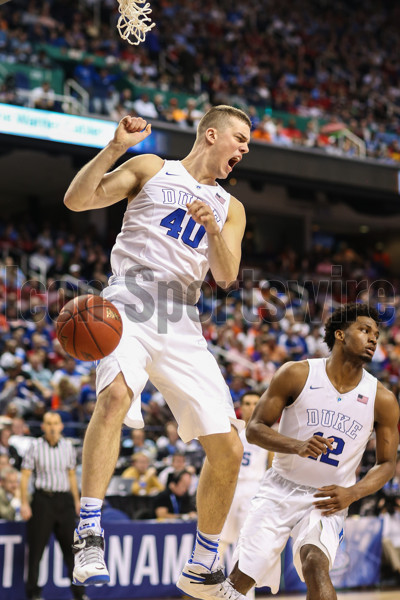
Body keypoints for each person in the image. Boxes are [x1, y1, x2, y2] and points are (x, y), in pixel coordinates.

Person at [64, 105, 251, 600]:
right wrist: (115, 148)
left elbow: (228, 277)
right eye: (241, 139)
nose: (245, 149)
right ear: (212, 135)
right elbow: (76, 200)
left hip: (183, 319)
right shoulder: (152, 168)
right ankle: (88, 533)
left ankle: (203, 567)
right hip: (126, 301)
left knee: (230, 448)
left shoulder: (231, 207)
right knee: (116, 397)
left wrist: (213, 228)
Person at [226, 303, 399, 600]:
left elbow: (386, 464)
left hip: (328, 497)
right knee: (242, 578)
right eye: (365, 330)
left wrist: (353, 493)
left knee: (316, 565)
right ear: (341, 334)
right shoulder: (297, 374)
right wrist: (296, 445)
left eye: (376, 333)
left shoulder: (381, 398)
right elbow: (255, 429)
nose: (373, 338)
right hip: (278, 489)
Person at [20, 411, 88, 600]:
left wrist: (76, 501)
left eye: (55, 423)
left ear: (61, 426)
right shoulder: (34, 447)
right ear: (42, 427)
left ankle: (79, 594)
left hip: (64, 502)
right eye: (48, 423)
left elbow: (72, 476)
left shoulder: (68, 447)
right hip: (42, 501)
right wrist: (24, 503)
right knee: (36, 552)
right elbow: (25, 476)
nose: (52, 427)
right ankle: (33, 594)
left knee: (72, 551)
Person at [219, 391, 269, 599]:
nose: (251, 407)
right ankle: (214, 590)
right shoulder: (233, 431)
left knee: (246, 545)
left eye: (255, 403)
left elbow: (273, 467)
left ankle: (244, 595)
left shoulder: (267, 433)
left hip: (254, 490)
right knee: (219, 541)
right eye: (247, 403)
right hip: (231, 488)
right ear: (241, 406)